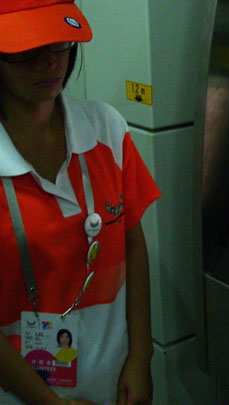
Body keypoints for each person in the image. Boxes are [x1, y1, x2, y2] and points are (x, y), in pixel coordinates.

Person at [0, 1, 160, 404]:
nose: (48, 64)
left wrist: (141, 359)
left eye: (59, 45)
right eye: (26, 50)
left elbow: (133, 245)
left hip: (114, 380)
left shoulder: (106, 129)